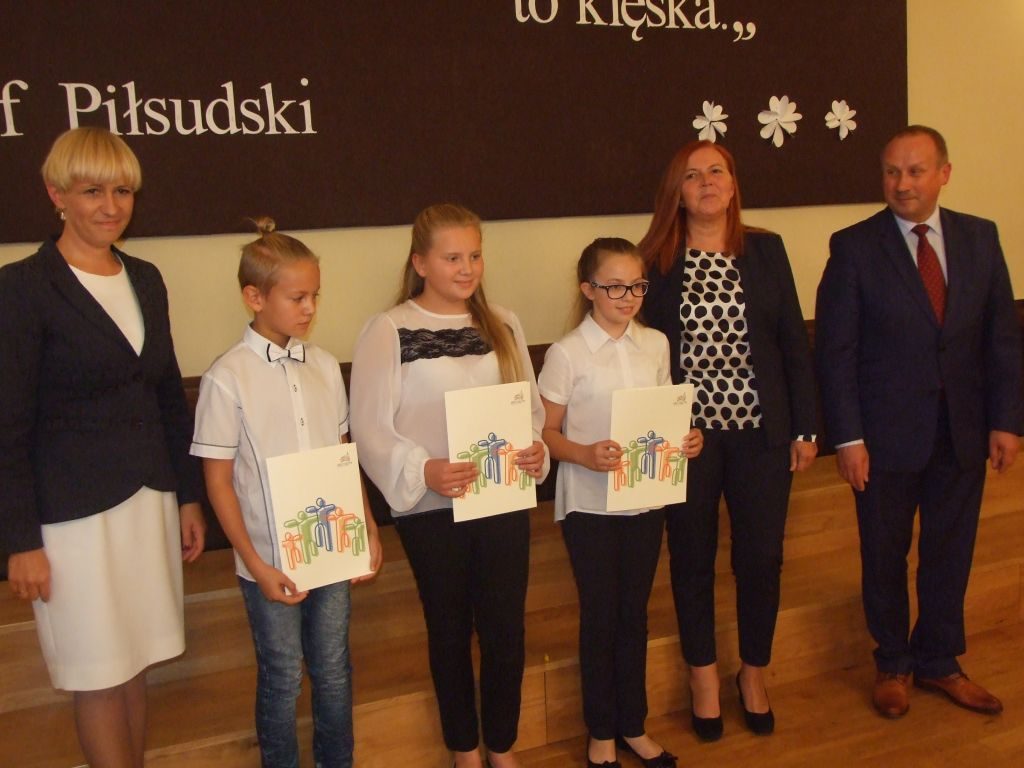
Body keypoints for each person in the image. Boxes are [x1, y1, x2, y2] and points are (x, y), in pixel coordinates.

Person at [0, 126, 206, 768]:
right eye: (92, 191)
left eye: (122, 191)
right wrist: (19, 541)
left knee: (135, 663)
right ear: (56, 194)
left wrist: (187, 498)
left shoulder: (145, 278)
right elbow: (8, 425)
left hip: (148, 502)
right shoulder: (23, 286)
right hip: (70, 521)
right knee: (97, 674)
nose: (111, 206)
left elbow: (166, 396)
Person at [815, 125, 1022, 719]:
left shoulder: (980, 237)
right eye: (891, 172)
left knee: (950, 551)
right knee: (884, 553)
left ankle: (939, 660)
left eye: (914, 171)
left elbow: (1002, 338)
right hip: (883, 439)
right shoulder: (854, 247)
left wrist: (1007, 420)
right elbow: (836, 352)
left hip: (963, 429)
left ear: (944, 174)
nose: (901, 183)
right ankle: (892, 662)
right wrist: (848, 437)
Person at [350, 203, 548, 768]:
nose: (467, 268)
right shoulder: (389, 329)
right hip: (433, 506)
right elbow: (368, 425)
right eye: (452, 257)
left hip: (502, 497)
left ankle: (501, 745)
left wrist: (534, 447)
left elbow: (529, 407)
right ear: (420, 263)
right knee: (450, 629)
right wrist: (424, 469)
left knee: (506, 629)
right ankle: (464, 748)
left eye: (475, 256)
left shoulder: (503, 322)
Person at [638, 140, 818, 739]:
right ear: (677, 192)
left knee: (761, 558)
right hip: (686, 440)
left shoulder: (766, 250)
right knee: (691, 558)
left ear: (734, 184)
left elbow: (792, 341)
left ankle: (754, 674)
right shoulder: (654, 260)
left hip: (762, 434)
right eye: (693, 175)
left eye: (717, 171)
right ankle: (704, 679)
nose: (707, 182)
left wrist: (805, 426)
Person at [190, 218, 382, 768]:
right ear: (255, 297)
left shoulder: (323, 365)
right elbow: (218, 482)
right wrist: (254, 562)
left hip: (332, 547)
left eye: (315, 296)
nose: (309, 308)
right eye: (297, 297)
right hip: (269, 558)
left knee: (334, 668)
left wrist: (367, 528)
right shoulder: (227, 377)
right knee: (282, 674)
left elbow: (343, 455)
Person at [538, 237, 702, 768]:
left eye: (636, 286)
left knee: (634, 614)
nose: (627, 297)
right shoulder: (567, 353)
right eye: (614, 287)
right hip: (589, 506)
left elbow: (664, 413)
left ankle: (634, 725)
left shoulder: (655, 343)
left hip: (645, 499)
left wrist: (685, 439)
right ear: (588, 289)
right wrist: (584, 454)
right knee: (601, 616)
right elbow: (545, 435)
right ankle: (601, 732)